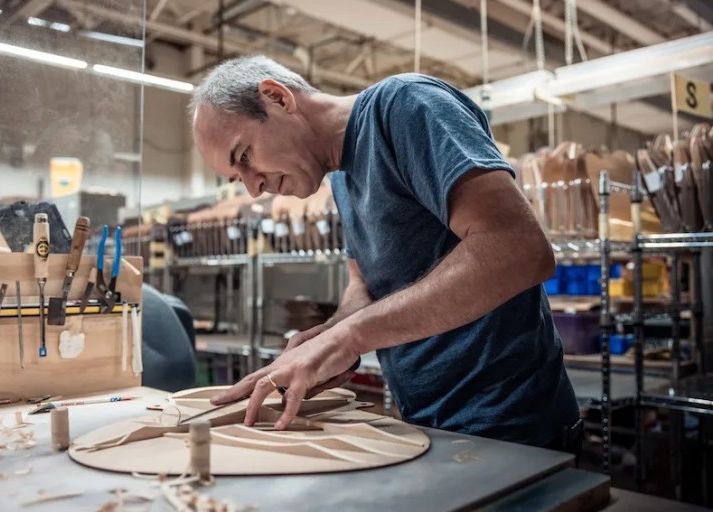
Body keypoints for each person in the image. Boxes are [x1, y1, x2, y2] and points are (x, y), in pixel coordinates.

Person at [189, 55, 581, 452]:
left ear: (277, 97)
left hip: (512, 425)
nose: (253, 189)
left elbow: (518, 248)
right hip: (429, 422)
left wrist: (350, 337)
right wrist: (327, 339)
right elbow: (366, 282)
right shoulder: (340, 178)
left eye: (245, 157)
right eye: (238, 178)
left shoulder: (406, 106)